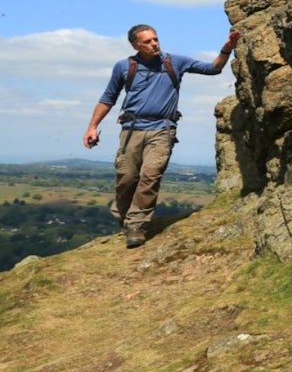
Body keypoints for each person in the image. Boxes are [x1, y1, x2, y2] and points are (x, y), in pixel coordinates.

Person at [83, 24, 241, 248]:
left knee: (151, 174)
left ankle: (136, 224)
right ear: (135, 45)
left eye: (155, 39)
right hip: (132, 129)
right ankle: (124, 215)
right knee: (126, 178)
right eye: (147, 41)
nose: (154, 44)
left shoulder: (174, 62)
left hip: (163, 129)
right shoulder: (124, 67)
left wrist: (226, 49)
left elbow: (213, 69)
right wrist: (92, 126)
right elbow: (108, 97)